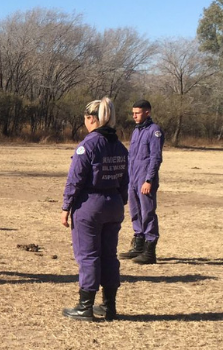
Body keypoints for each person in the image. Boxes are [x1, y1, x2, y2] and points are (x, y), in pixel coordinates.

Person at [60, 98, 128, 321]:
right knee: (109, 255)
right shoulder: (119, 146)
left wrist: (65, 206)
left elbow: (75, 180)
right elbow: (126, 180)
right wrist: (121, 201)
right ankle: (109, 306)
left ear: (91, 119)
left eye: (86, 120)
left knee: (88, 256)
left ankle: (84, 306)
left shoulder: (87, 146)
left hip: (91, 205)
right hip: (114, 204)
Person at [119, 99, 164, 265]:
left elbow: (155, 157)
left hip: (145, 179)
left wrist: (149, 180)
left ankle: (150, 250)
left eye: (137, 113)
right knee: (135, 211)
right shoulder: (136, 131)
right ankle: (138, 244)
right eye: (133, 113)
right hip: (133, 178)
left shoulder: (154, 131)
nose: (134, 116)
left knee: (148, 213)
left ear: (147, 112)